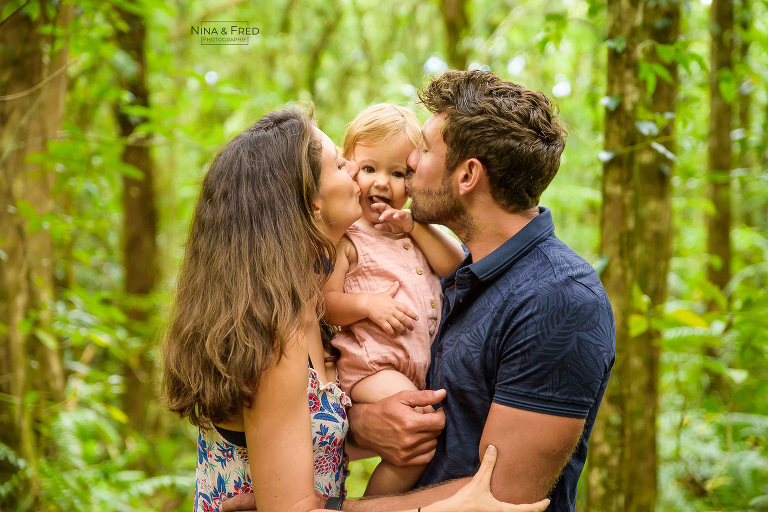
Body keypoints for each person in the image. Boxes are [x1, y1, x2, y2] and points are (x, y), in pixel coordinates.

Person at [160, 107, 550, 512]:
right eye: (339, 163)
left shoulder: (310, 308)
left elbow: (308, 441)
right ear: (312, 203)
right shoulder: (278, 336)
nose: (355, 173)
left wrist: (371, 428)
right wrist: (444, 507)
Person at [343, 70, 616, 512]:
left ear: (468, 175)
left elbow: (499, 497)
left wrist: (328, 510)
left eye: (426, 149)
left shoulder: (560, 299)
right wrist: (364, 421)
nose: (410, 161)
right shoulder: (453, 271)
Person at [323, 104, 464, 496]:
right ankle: (373, 505)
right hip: (371, 366)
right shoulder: (349, 237)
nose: (382, 183)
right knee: (420, 434)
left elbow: (455, 265)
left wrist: (416, 227)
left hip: (411, 369)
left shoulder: (413, 231)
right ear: (349, 169)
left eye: (398, 173)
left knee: (420, 439)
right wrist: (368, 305)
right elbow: (326, 302)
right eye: (369, 169)